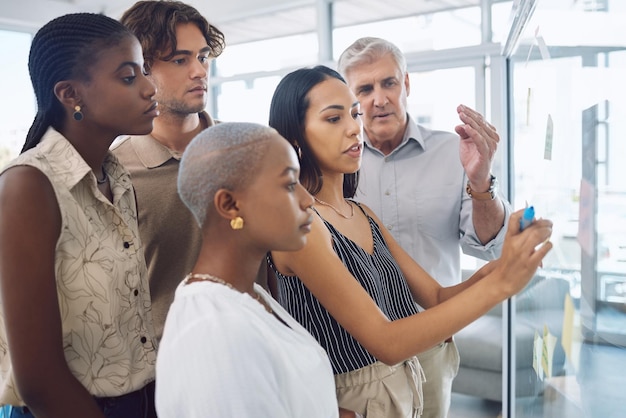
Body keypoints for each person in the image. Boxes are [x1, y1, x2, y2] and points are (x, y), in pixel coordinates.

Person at [267, 65, 552, 418]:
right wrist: (502, 284)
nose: (354, 127)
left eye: (354, 114)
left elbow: (435, 297)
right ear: (295, 137)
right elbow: (386, 342)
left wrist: (506, 262)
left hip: (406, 385)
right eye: (333, 119)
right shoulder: (304, 227)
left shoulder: (362, 214)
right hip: (354, 400)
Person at [337, 37, 511, 417]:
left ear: (407, 84)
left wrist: (481, 183)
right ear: (348, 99)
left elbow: (487, 244)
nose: (379, 99)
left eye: (388, 83)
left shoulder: (455, 152)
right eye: (364, 89)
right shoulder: (335, 162)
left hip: (431, 341)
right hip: (352, 353)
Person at [0, 13, 159, 418]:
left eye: (144, 72)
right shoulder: (29, 186)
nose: (149, 87)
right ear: (71, 95)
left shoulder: (116, 177)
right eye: (128, 77)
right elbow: (38, 379)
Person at [155, 122, 350, 417]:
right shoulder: (214, 332)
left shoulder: (248, 294)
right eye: (288, 184)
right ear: (230, 205)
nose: (307, 199)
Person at [111, 0, 226, 343]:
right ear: (139, 70)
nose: (200, 71)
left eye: (203, 57)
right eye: (180, 60)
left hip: (254, 359)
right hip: (163, 377)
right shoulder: (112, 174)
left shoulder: (249, 151)